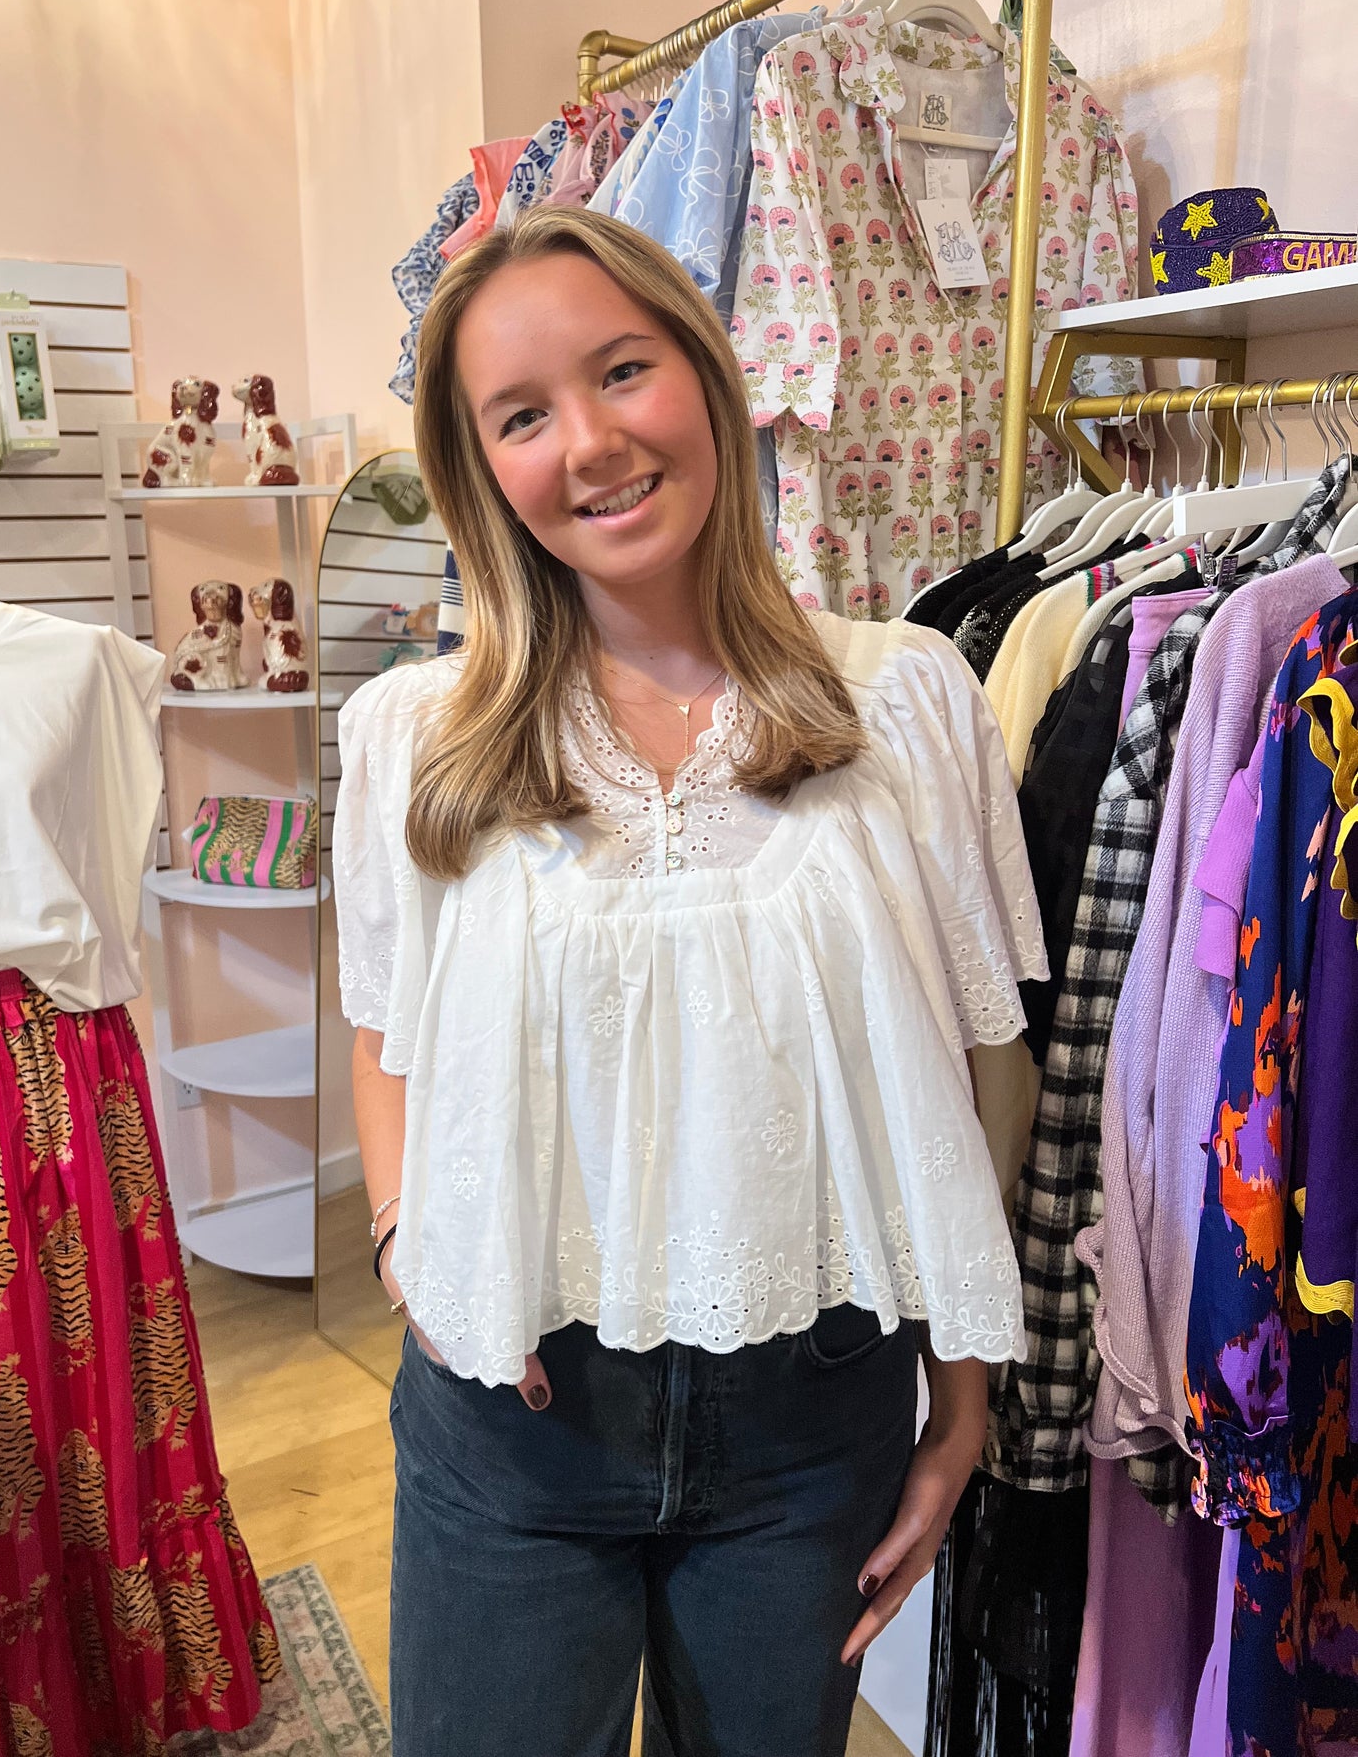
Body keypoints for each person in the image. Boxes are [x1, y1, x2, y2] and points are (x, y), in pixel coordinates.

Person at [334, 207, 1044, 1757]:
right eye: (521, 415)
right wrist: (404, 1241)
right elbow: (384, 1022)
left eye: (621, 371)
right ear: (481, 471)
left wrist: (965, 1396)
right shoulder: (415, 733)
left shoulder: (903, 700)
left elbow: (984, 1062)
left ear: (708, 378)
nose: (586, 443)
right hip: (510, 1419)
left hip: (812, 1418)